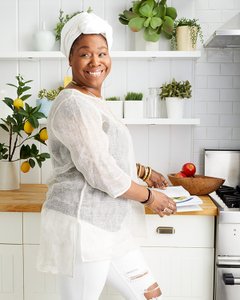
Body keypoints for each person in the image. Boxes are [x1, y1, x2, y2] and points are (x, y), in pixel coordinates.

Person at [37, 11, 177, 300]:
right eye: (84, 53)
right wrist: (151, 197)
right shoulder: (74, 104)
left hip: (108, 226)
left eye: (102, 52)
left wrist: (145, 173)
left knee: (150, 295)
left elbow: (105, 153)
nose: (95, 61)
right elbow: (100, 170)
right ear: (70, 59)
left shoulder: (92, 100)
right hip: (83, 226)